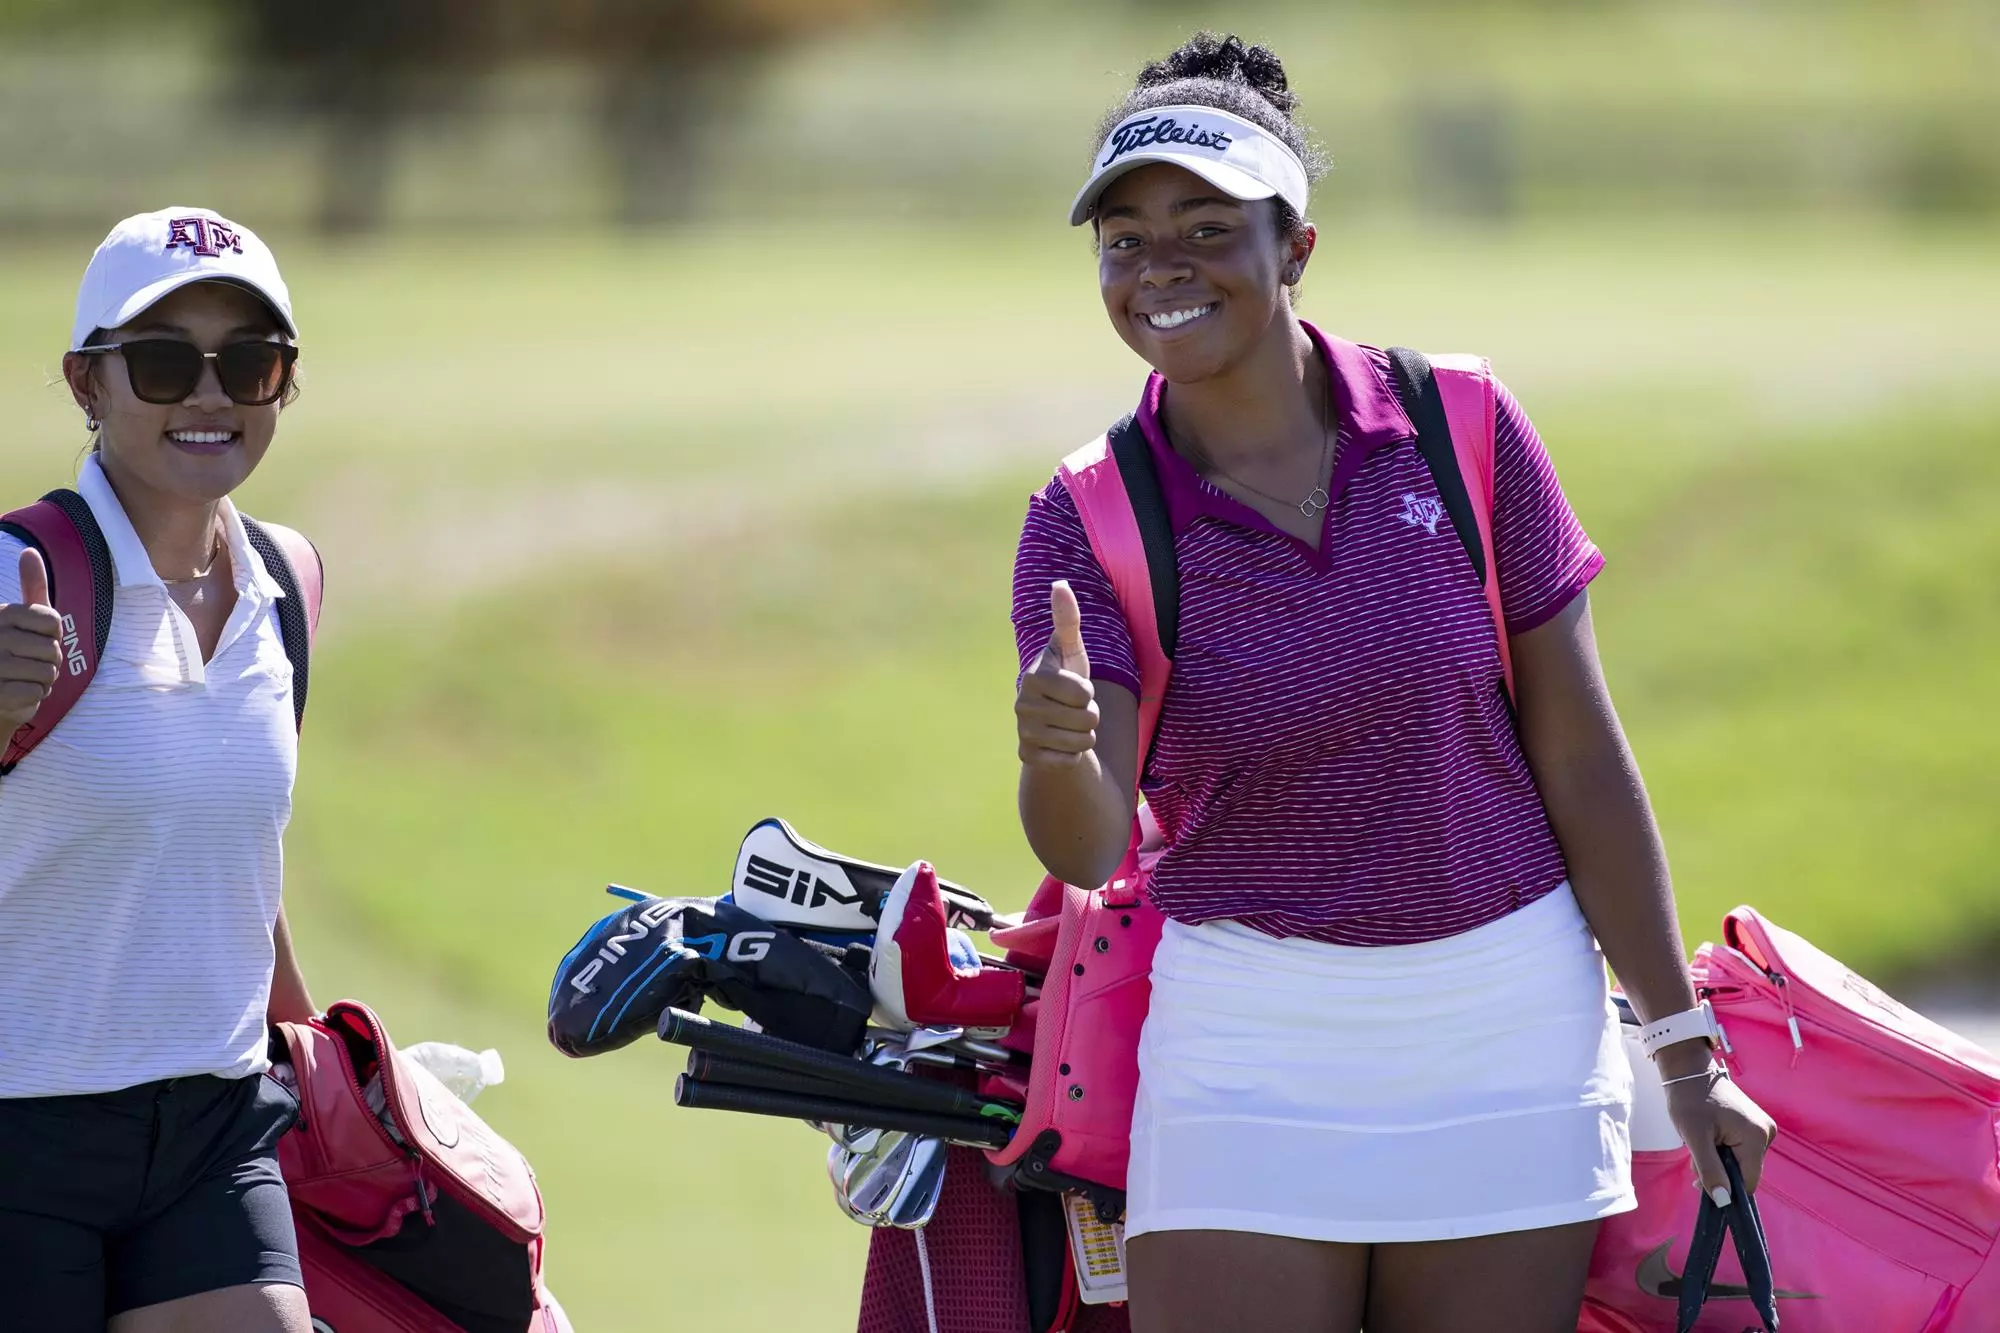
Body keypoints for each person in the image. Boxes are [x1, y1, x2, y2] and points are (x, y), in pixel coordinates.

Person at [1010, 34, 1775, 1333]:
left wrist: (1680, 1041)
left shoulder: (1458, 423)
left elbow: (1581, 754)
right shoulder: (1092, 512)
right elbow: (1085, 848)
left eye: (1207, 227)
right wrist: (1054, 756)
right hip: (1247, 1041)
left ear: (1296, 247)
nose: (1161, 268)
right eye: (1125, 239)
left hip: (1506, 1033)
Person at [0, 207, 319, 1333]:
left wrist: (320, 1047)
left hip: (212, 1123)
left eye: (248, 359)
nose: (209, 393)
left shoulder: (290, 579)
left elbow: (226, 851)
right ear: (89, 385)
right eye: (164, 360)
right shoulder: (10, 575)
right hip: (19, 1127)